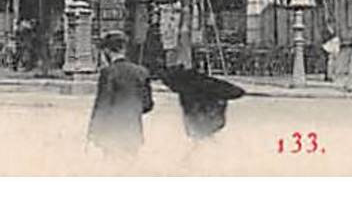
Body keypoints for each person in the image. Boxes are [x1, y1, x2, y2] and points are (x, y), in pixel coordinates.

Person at [86, 31, 153, 160]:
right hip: (134, 133)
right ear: (124, 49)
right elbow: (147, 105)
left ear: (107, 51)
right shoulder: (141, 72)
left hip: (112, 133)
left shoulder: (108, 73)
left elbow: (102, 106)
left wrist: (92, 134)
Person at [160, 66, 244, 141]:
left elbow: (236, 92)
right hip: (202, 113)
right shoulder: (201, 85)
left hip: (202, 112)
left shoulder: (193, 86)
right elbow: (237, 92)